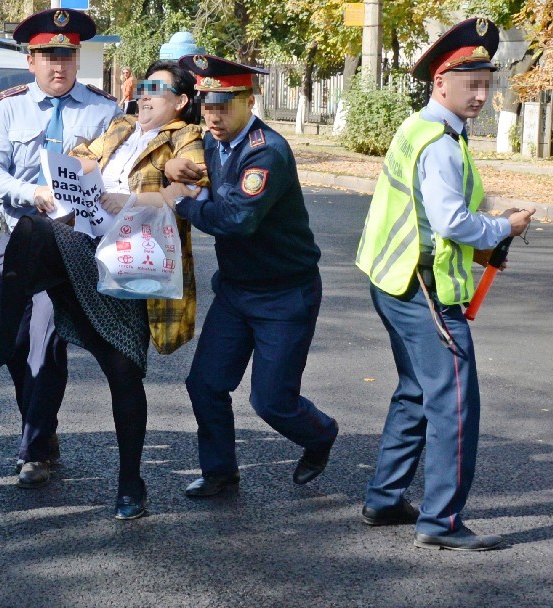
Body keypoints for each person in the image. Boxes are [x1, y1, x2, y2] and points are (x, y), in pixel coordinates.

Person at [0, 60, 206, 520]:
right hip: (86, 247)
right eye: (144, 87)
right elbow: (83, 155)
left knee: (123, 374)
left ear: (181, 101)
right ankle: (3, 335)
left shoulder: (185, 139)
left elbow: (188, 190)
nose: (146, 95)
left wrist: (147, 190)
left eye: (158, 89)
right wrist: (78, 166)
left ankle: (131, 485)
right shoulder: (121, 124)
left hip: (132, 270)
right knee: (32, 230)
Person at [355, 18, 534, 551]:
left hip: (394, 280)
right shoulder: (440, 142)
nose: (481, 94)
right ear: (441, 83)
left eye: (486, 84)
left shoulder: (421, 128)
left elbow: (433, 216)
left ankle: (385, 498)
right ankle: (441, 522)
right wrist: (504, 226)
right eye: (470, 84)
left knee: (416, 391)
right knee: (454, 404)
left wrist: (487, 227)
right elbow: (453, 222)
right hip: (424, 291)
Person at [164, 54, 339, 497]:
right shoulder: (212, 143)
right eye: (207, 104)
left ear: (249, 99)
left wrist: (181, 201)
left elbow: (239, 219)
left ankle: (319, 435)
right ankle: (221, 471)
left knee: (272, 402)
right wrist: (173, 171)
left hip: (285, 294)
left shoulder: (267, 152)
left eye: (224, 104)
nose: (213, 115)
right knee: (205, 384)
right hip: (237, 291)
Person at [0, 8, 120, 490]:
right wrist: (30, 191)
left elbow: (121, 174)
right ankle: (43, 430)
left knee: (45, 342)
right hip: (20, 239)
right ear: (31, 60)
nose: (59, 65)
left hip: (74, 246)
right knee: (17, 346)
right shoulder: (8, 108)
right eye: (48, 55)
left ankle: (35, 448)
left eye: (67, 55)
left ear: (77, 59)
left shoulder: (103, 111)